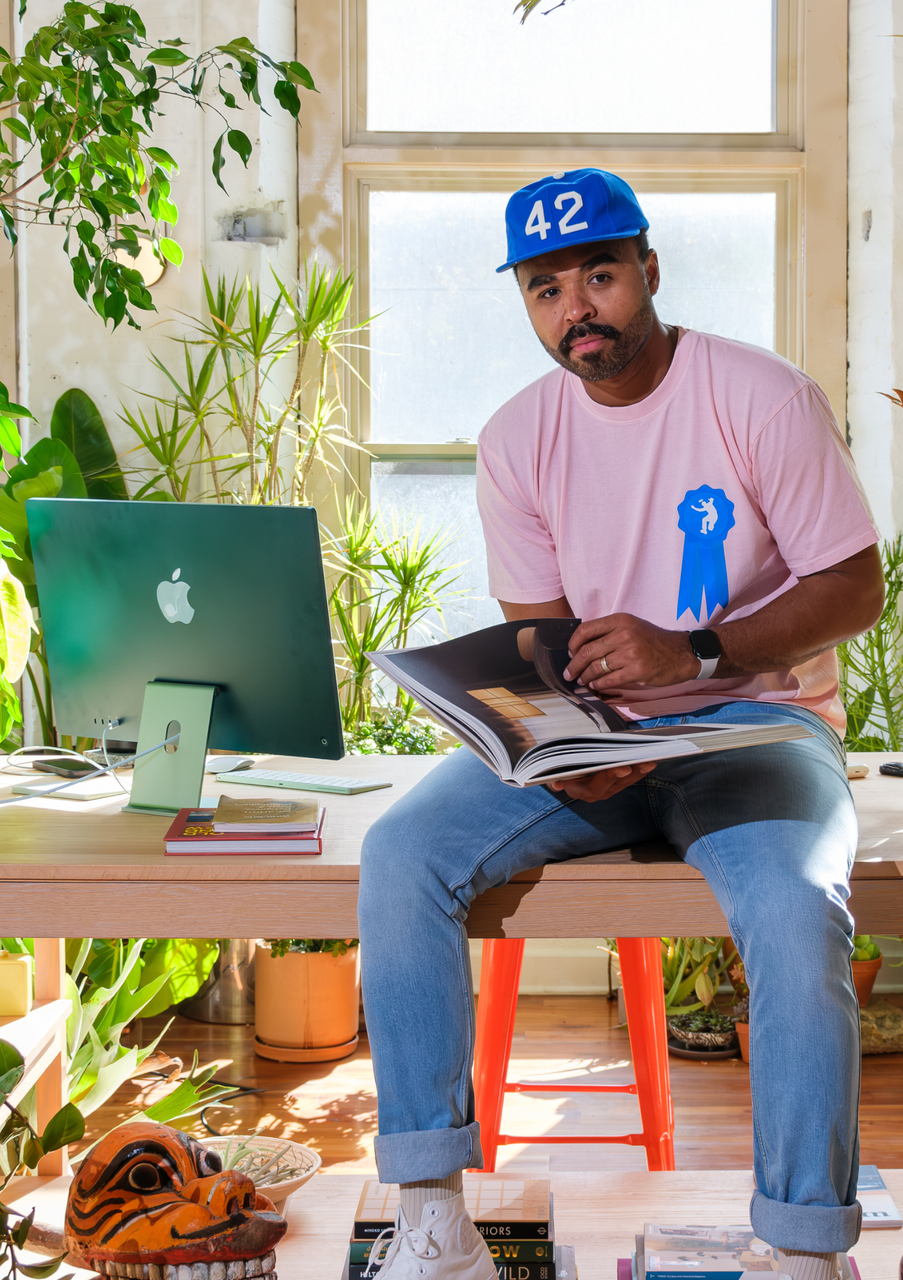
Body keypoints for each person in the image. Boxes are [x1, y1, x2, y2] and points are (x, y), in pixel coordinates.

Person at [358, 168, 884, 1280]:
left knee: (795, 914)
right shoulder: (515, 438)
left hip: (754, 727)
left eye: (597, 274)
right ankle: (430, 1218)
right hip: (607, 745)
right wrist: (561, 744)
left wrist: (692, 650)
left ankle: (799, 1251)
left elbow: (852, 585)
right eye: (544, 288)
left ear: (647, 269)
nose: (574, 308)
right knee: (401, 850)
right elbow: (538, 641)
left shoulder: (759, 397)